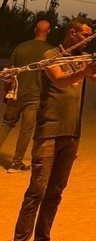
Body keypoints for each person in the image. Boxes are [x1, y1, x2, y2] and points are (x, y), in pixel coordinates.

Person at [5, 20, 96, 241]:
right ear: (72, 33)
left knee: (55, 192)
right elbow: (61, 81)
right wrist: (85, 72)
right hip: (49, 132)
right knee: (36, 191)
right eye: (85, 35)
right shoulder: (51, 55)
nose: (88, 40)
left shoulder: (81, 58)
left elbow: (95, 82)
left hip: (72, 133)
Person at [1, 19, 51, 171]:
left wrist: (6, 90)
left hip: (16, 93)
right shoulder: (50, 52)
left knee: (6, 124)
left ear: (35, 30)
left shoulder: (21, 47)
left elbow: (10, 72)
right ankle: (16, 163)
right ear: (48, 32)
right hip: (35, 96)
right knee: (26, 130)